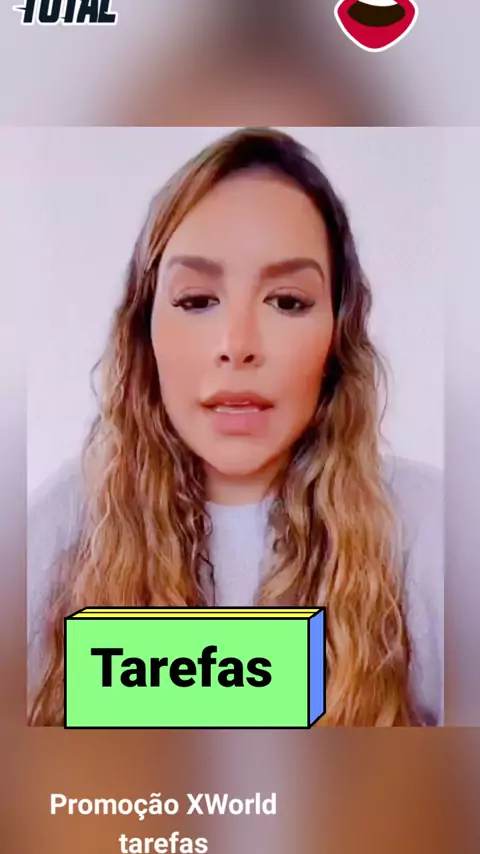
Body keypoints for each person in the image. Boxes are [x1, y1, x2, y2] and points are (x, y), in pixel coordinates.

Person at [28, 127, 443, 726]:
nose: (238, 344)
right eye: (197, 301)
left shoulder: (430, 533)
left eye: (287, 301)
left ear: (338, 333)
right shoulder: (63, 528)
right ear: (144, 330)